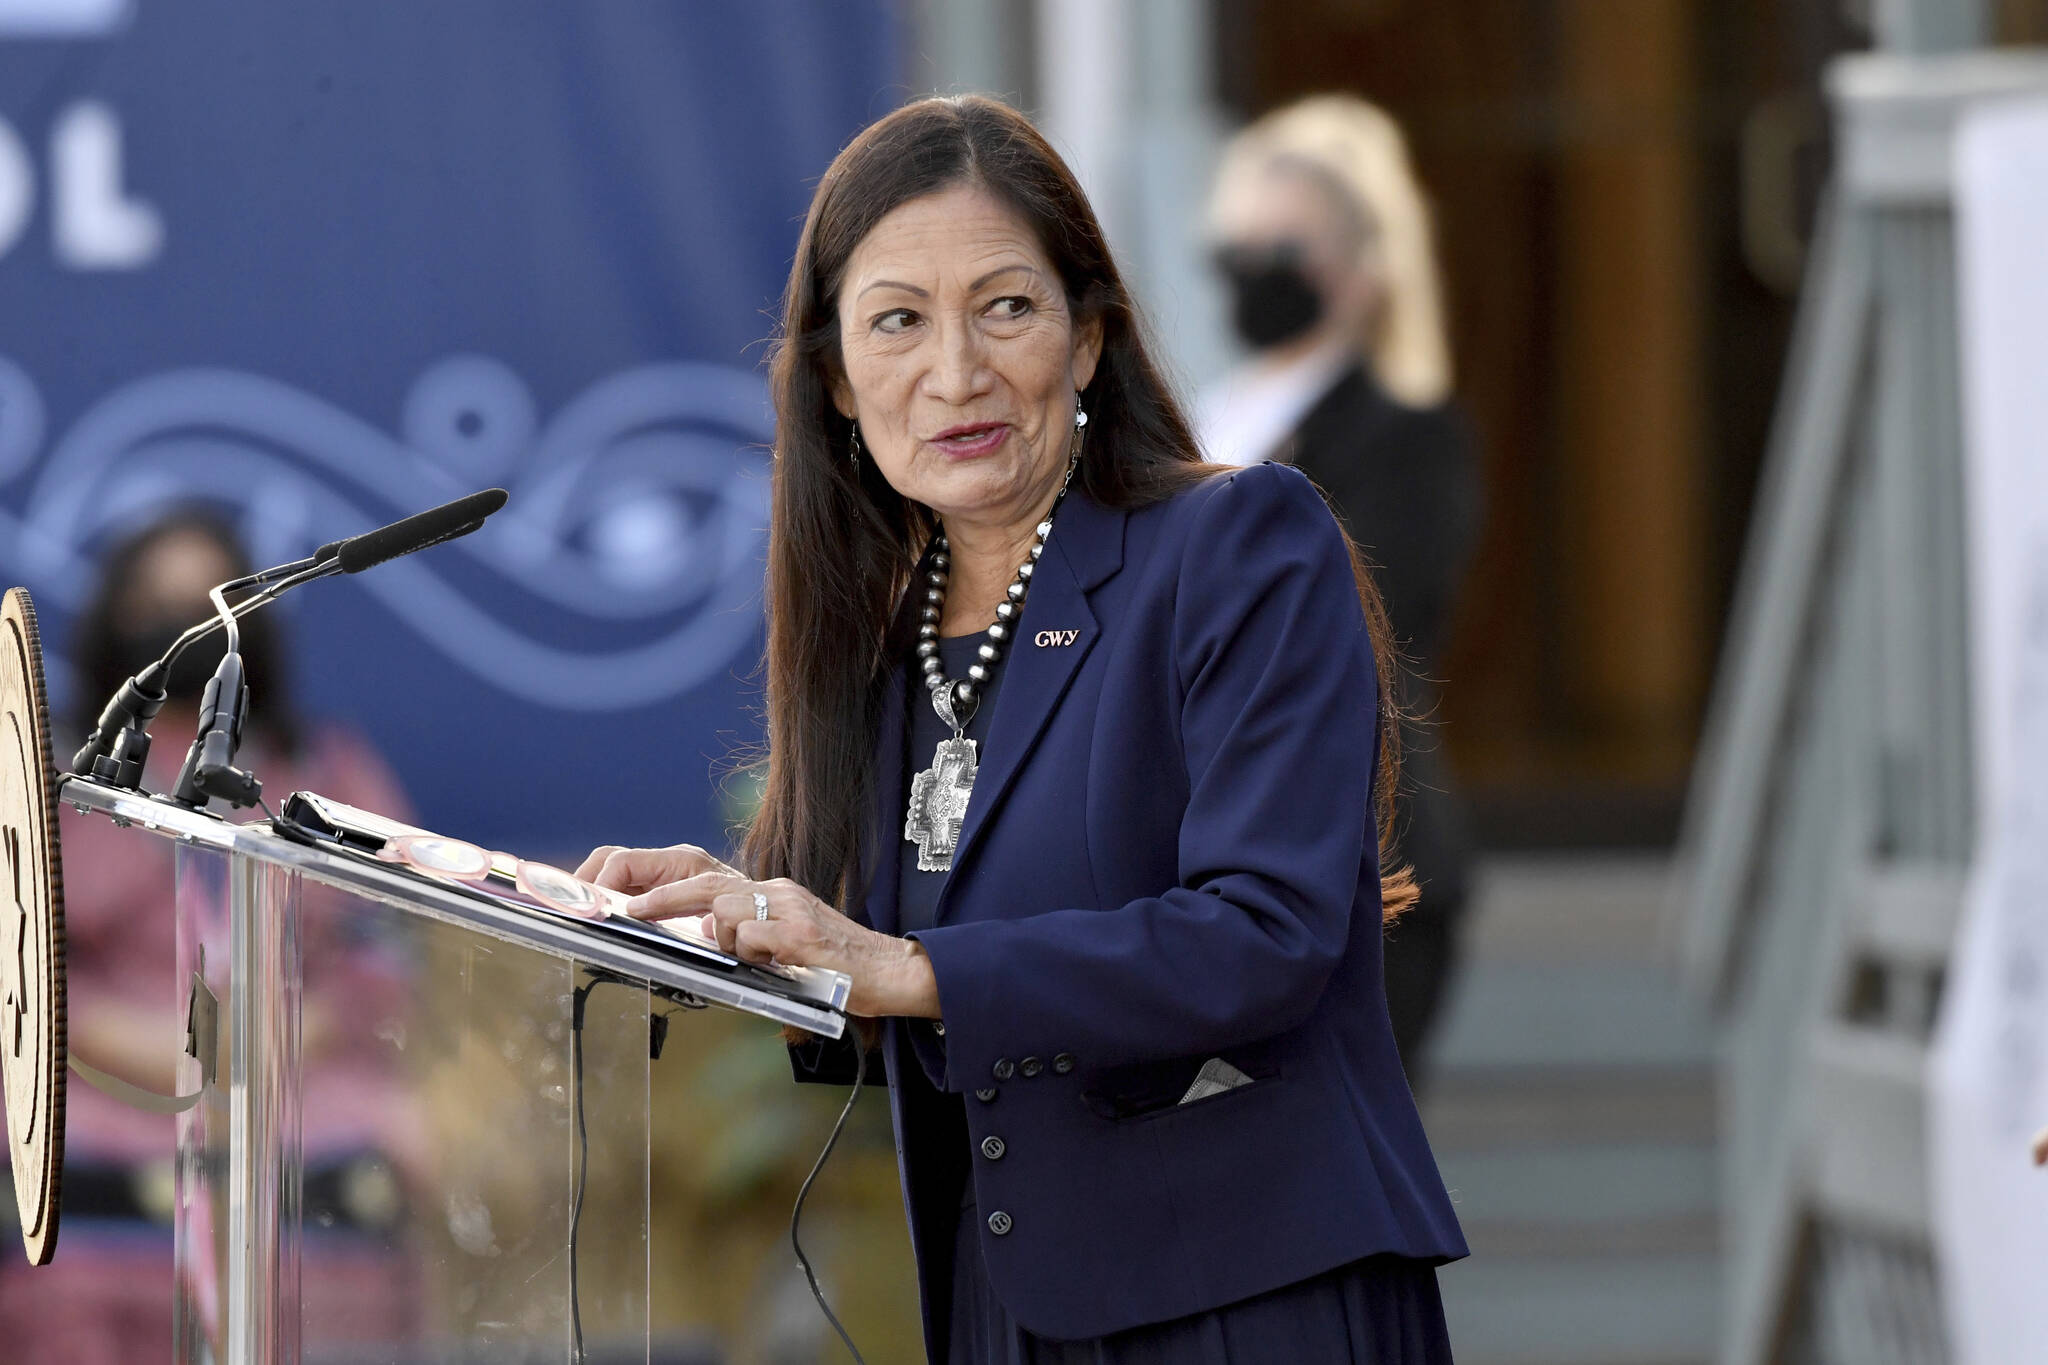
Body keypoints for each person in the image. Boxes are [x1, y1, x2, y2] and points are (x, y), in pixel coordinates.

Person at [580, 95, 1466, 1363]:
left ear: (1088, 337)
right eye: (896, 321)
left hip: (1246, 1295)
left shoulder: (1238, 545)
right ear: (834, 378)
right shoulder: (889, 640)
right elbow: (896, 988)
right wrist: (747, 918)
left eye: (1005, 307)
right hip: (1013, 1312)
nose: (955, 373)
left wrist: (912, 971)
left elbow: (1269, 933)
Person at [0, 512, 418, 1361]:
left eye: (208, 600)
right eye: (156, 601)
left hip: (295, 1082)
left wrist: (260, 1048)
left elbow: (382, 954)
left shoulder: (327, 767)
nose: (180, 620)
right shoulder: (57, 774)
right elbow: (21, 962)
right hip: (101, 1086)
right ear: (115, 617)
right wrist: (159, 1053)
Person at [1198, 94, 1484, 1085]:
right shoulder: (1207, 417)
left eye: (1289, 245)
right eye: (1242, 242)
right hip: (1225, 872)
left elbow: (1368, 616)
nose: (1256, 268)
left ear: (1363, 269)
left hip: (1359, 869)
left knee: (1342, 1202)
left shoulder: (1401, 433)